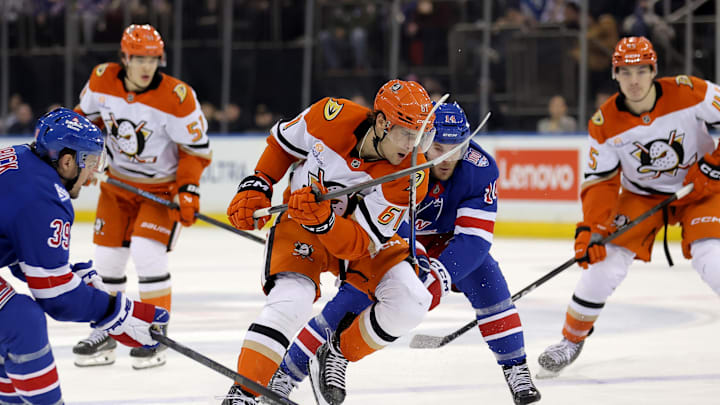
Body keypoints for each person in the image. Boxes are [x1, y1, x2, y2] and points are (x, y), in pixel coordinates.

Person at [262, 102, 542, 405]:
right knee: (354, 297)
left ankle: (517, 368)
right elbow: (389, 224)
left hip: (449, 242)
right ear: (424, 139)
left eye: (456, 147)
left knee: (489, 281)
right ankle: (287, 373)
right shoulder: (402, 163)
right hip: (394, 238)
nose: (446, 158)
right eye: (437, 147)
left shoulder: (480, 168)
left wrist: (440, 275)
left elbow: (474, 240)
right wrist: (419, 261)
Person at [222, 79, 436, 405]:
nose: (414, 145)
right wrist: (258, 184)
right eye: (407, 133)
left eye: (421, 136)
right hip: (303, 222)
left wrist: (325, 220)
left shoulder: (412, 174)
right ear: (381, 122)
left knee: (411, 300)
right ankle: (245, 393)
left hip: (357, 236)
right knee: (291, 300)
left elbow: (360, 244)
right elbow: (283, 145)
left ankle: (337, 352)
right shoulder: (330, 115)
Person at [537, 36, 720, 376]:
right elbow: (601, 183)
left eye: (641, 70)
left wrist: (714, 164)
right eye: (625, 72)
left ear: (654, 70)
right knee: (603, 265)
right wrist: (592, 229)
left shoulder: (690, 91)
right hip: (642, 195)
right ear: (614, 75)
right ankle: (570, 340)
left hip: (701, 190)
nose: (633, 80)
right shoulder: (604, 124)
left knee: (713, 256)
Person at [0, 108, 169, 404]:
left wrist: (70, 278)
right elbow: (55, 296)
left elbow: (17, 250)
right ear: (66, 161)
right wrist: (116, 312)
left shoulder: (22, 159)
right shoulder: (46, 195)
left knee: (8, 334)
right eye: (90, 163)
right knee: (21, 322)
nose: (94, 175)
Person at [71, 24, 212, 369]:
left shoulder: (178, 97)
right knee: (105, 263)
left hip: (159, 191)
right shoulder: (102, 80)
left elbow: (195, 152)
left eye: (153, 58)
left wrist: (188, 189)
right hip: (117, 187)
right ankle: (106, 333)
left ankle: (154, 334)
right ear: (125, 58)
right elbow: (84, 122)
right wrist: (79, 161)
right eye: (139, 58)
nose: (147, 66)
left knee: (148, 256)